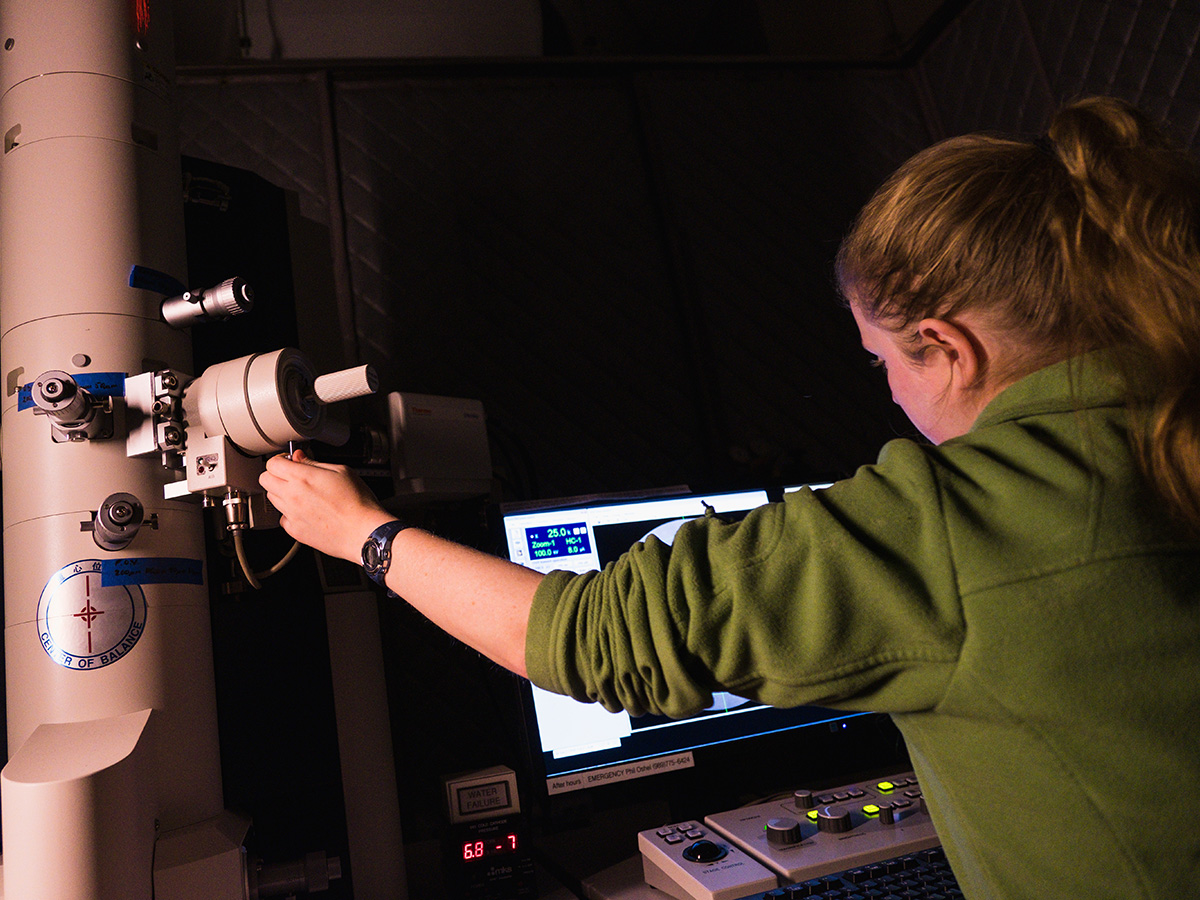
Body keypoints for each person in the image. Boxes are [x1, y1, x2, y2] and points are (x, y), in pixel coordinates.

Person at [261, 96, 1200, 898]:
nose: (890, 394)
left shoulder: (956, 521)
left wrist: (360, 532)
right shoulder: (1165, 433)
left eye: (883, 364)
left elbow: (586, 638)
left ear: (948, 347)